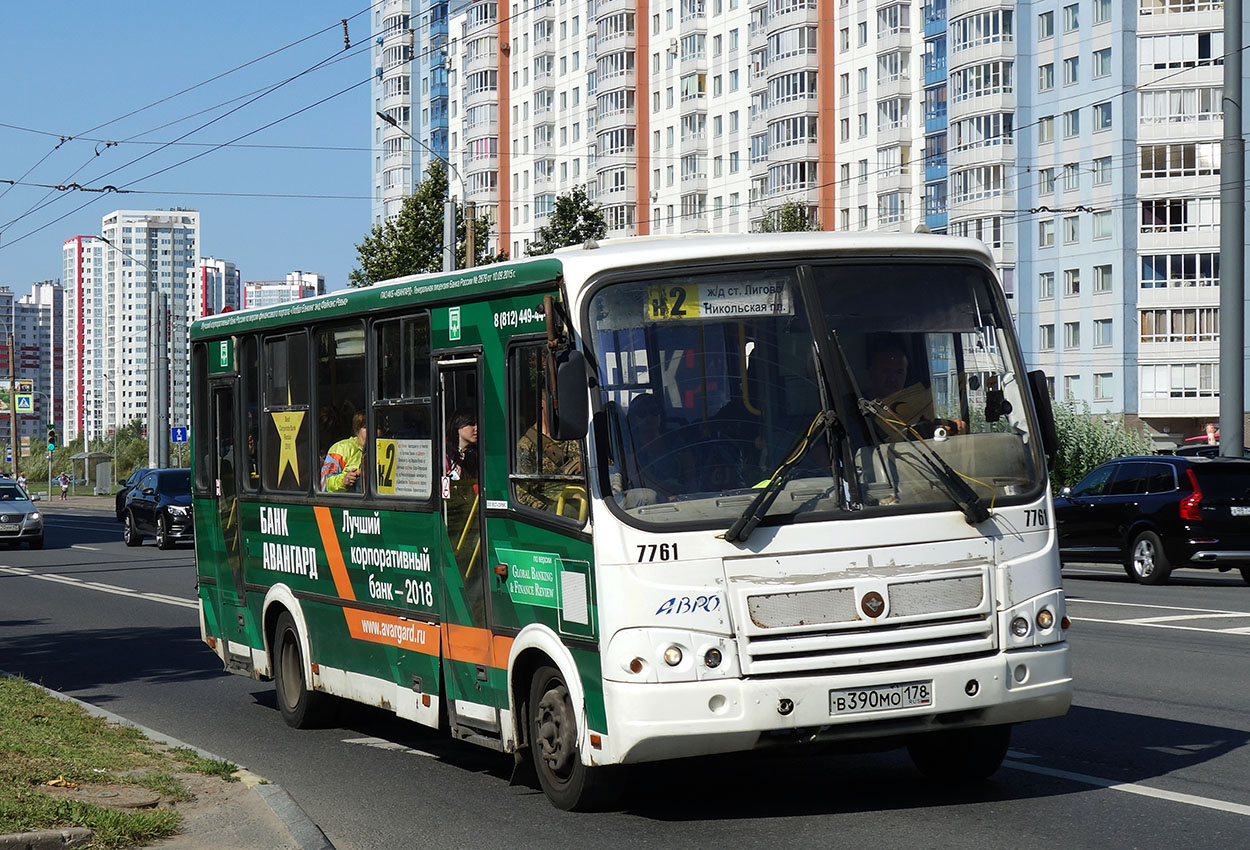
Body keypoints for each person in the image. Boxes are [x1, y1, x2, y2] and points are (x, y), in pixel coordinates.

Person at [516, 405, 583, 515]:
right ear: (542, 405)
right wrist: (550, 511)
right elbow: (521, 495)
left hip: (581, 497)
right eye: (556, 403)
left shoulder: (569, 436)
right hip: (551, 510)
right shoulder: (526, 446)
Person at [320, 412, 367, 492]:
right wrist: (343, 481)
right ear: (358, 429)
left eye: (378, 427)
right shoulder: (341, 448)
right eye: (366, 427)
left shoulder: (384, 449)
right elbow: (325, 484)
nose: (374, 431)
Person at [445, 409, 479, 481]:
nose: (476, 428)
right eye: (471, 424)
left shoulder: (478, 455)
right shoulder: (444, 453)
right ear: (458, 426)